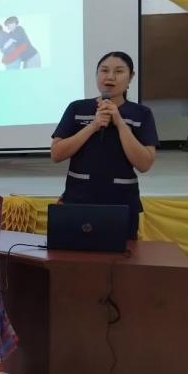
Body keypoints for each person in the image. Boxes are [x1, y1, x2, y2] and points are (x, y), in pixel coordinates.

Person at [51, 51, 158, 239]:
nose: (110, 77)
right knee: (73, 254)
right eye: (104, 70)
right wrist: (93, 126)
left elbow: (144, 164)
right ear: (96, 74)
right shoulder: (77, 108)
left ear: (131, 77)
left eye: (119, 71)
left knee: (120, 255)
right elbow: (56, 154)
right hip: (78, 200)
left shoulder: (141, 114)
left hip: (122, 204)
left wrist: (119, 122)